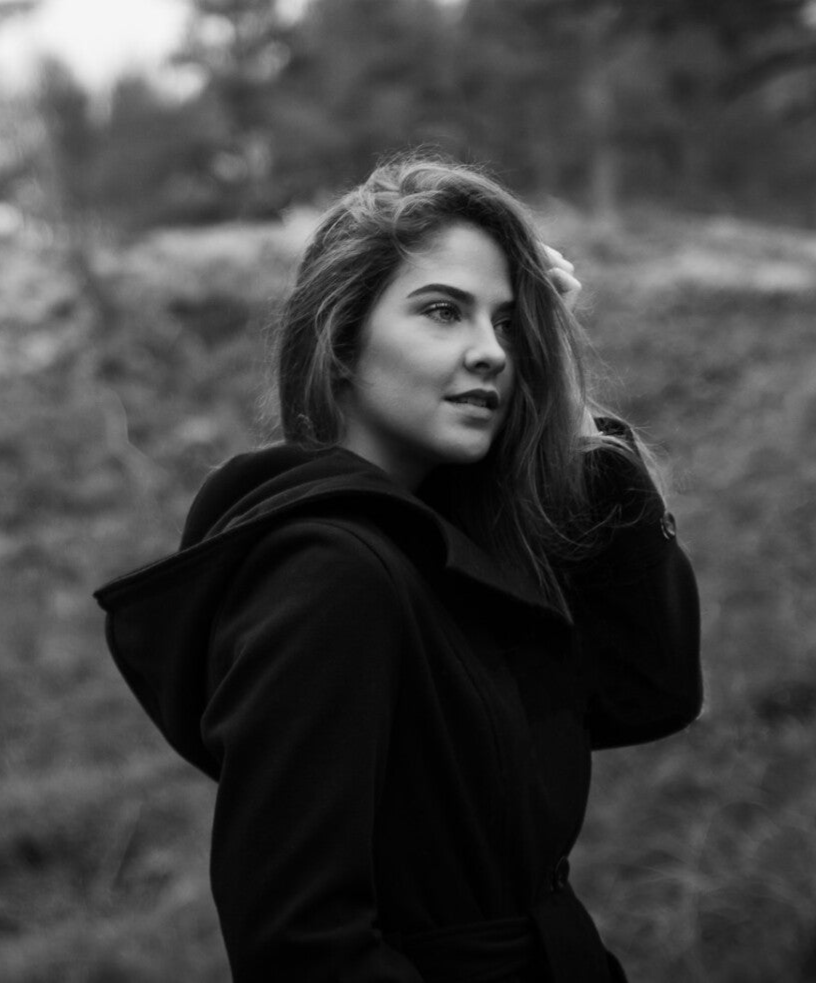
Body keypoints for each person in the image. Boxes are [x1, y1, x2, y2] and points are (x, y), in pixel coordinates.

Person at [95, 154, 702, 983]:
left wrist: (562, 402)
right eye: (443, 311)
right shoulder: (330, 574)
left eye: (509, 324)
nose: (492, 353)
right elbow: (303, 948)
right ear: (342, 342)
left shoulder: (443, 554)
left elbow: (652, 690)